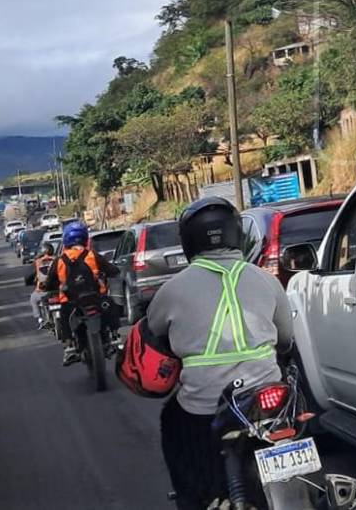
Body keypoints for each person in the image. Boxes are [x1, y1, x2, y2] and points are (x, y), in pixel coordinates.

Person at [146, 197, 293, 510]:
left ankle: (193, 498)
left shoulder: (172, 289)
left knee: (171, 421)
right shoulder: (266, 280)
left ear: (188, 241)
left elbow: (155, 334)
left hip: (204, 407)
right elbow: (286, 340)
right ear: (236, 234)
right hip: (268, 397)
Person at [43, 220, 121, 365]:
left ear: (66, 240)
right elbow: (113, 270)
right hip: (96, 298)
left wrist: (48, 287)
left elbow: (49, 284)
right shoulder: (93, 255)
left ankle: (69, 346)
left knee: (63, 317)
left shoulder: (60, 260)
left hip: (70, 303)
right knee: (111, 306)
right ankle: (115, 336)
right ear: (85, 238)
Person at [28, 243, 56, 329]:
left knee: (33, 298)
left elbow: (30, 274)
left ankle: (40, 319)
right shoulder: (57, 259)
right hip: (58, 289)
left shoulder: (38, 261)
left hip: (43, 291)